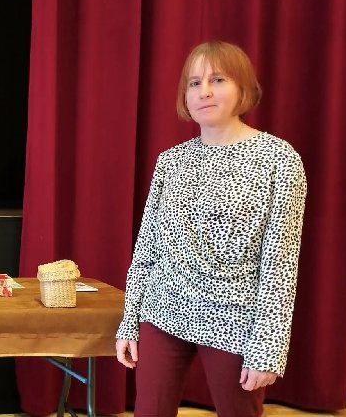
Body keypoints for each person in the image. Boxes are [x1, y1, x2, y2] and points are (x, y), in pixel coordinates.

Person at [115, 41, 307, 417]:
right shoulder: (171, 161)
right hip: (163, 309)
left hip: (235, 315)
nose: (203, 91)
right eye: (194, 83)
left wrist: (268, 347)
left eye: (217, 80)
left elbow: (280, 265)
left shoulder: (279, 159)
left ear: (243, 88)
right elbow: (147, 250)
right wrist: (129, 322)